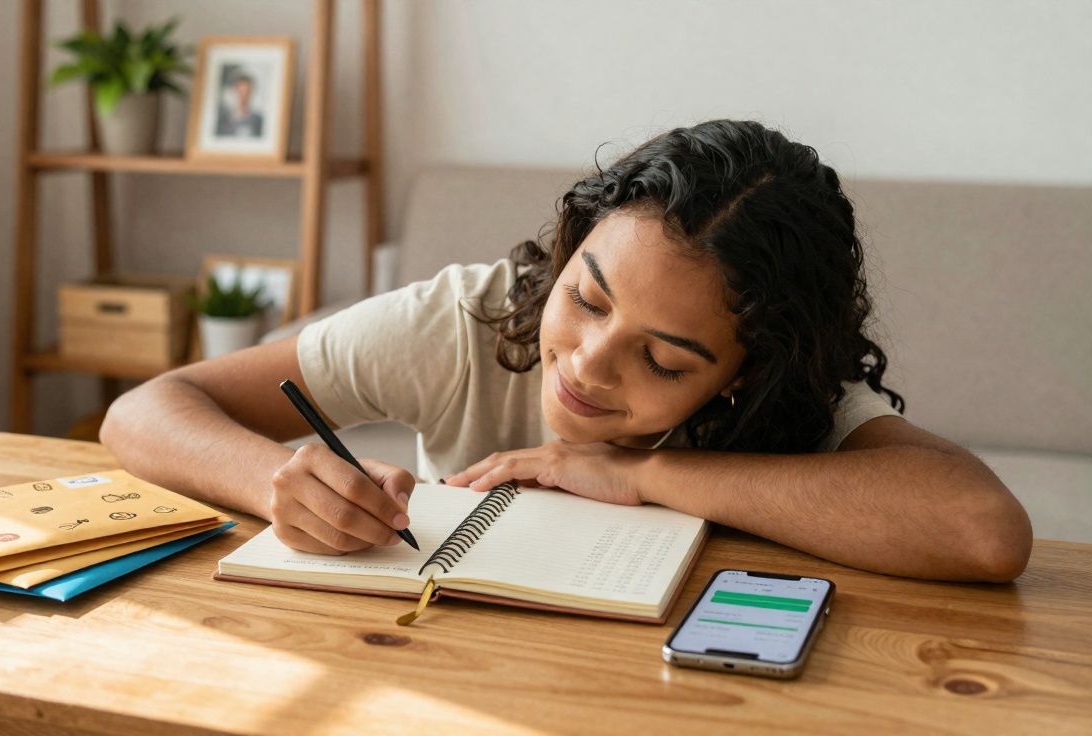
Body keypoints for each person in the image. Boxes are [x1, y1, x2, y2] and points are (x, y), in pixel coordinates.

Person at [101, 119, 1032, 582]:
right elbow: (143, 410)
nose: (586, 365)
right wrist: (276, 482)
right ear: (569, 246)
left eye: (665, 363)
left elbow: (983, 530)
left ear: (745, 373)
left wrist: (648, 479)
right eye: (586, 298)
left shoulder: (787, 403)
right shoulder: (470, 320)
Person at [215, 71, 264, 138]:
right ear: (234, 91)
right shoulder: (223, 120)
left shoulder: (258, 120)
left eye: (247, 92)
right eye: (241, 92)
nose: (243, 96)